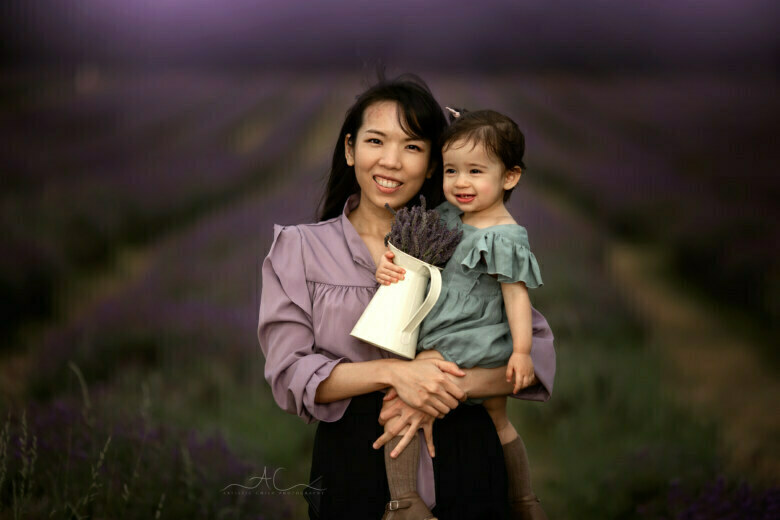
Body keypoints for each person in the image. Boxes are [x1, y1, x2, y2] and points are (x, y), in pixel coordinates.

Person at [257, 74, 556, 520]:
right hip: (355, 470)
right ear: (349, 149)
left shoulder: (467, 241)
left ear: (434, 164)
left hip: (468, 460)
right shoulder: (300, 249)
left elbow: (533, 361)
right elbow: (290, 374)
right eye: (376, 141)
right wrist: (398, 374)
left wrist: (448, 384)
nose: (392, 161)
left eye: (413, 146)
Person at [375, 108, 548, 519]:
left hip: (464, 343)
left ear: (510, 177)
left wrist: (521, 352)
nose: (460, 183)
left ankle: (403, 503)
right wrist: (388, 262)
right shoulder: (448, 217)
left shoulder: (503, 235)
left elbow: (516, 297)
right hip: (462, 337)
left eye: (475, 171)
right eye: (451, 171)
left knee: (403, 402)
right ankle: (524, 501)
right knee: (498, 419)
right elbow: (409, 253)